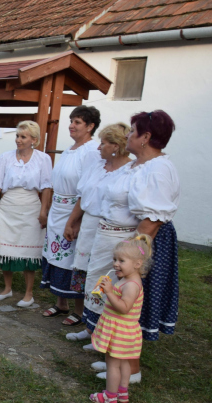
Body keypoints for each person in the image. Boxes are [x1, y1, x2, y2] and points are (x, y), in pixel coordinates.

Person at [89, 111, 180, 384]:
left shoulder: (159, 169)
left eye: (132, 131)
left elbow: (151, 221)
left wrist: (132, 258)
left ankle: (132, 369)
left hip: (145, 243)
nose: (127, 135)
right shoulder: (138, 165)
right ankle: (119, 361)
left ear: (146, 138)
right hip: (128, 240)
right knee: (120, 304)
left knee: (131, 303)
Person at [64, 123, 132, 342]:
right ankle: (90, 326)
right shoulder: (98, 166)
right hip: (90, 224)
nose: (99, 147)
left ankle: (104, 333)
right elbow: (84, 197)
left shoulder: (130, 171)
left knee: (106, 278)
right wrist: (73, 221)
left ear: (116, 146)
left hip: (111, 230)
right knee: (87, 275)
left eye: (103, 143)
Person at [41, 105, 102, 326]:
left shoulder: (92, 151)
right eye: (71, 120)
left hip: (73, 211)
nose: (71, 125)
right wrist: (47, 209)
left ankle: (79, 309)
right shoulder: (69, 149)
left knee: (74, 258)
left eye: (77, 122)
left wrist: (74, 221)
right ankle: (61, 303)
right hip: (58, 208)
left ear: (90, 126)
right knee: (56, 255)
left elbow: (86, 189)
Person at [0, 121, 52, 307]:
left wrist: (43, 211)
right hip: (8, 206)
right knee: (7, 248)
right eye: (17, 136)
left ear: (34, 140)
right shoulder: (5, 158)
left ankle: (29, 293)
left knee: (28, 251)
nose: (18, 140)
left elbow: (46, 187)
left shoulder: (43, 159)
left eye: (23, 137)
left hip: (31, 208)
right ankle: (7, 289)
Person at [89, 235, 152, 403]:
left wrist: (109, 292)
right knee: (124, 362)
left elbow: (124, 307)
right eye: (115, 259)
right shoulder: (127, 280)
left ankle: (110, 397)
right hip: (123, 330)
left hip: (120, 331)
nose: (116, 264)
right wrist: (109, 289)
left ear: (137, 264)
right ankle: (122, 392)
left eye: (121, 261)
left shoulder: (132, 285)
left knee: (112, 364)